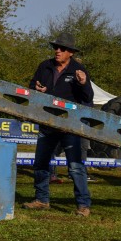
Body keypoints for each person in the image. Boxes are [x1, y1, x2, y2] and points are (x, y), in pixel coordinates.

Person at [23, 33, 94, 217]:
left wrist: (84, 83)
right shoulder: (45, 66)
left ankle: (83, 205)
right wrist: (37, 89)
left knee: (76, 166)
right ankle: (41, 200)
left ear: (70, 52)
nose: (58, 50)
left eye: (62, 48)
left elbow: (88, 98)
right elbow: (32, 86)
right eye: (56, 47)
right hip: (47, 123)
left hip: (69, 125)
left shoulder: (79, 70)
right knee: (40, 164)